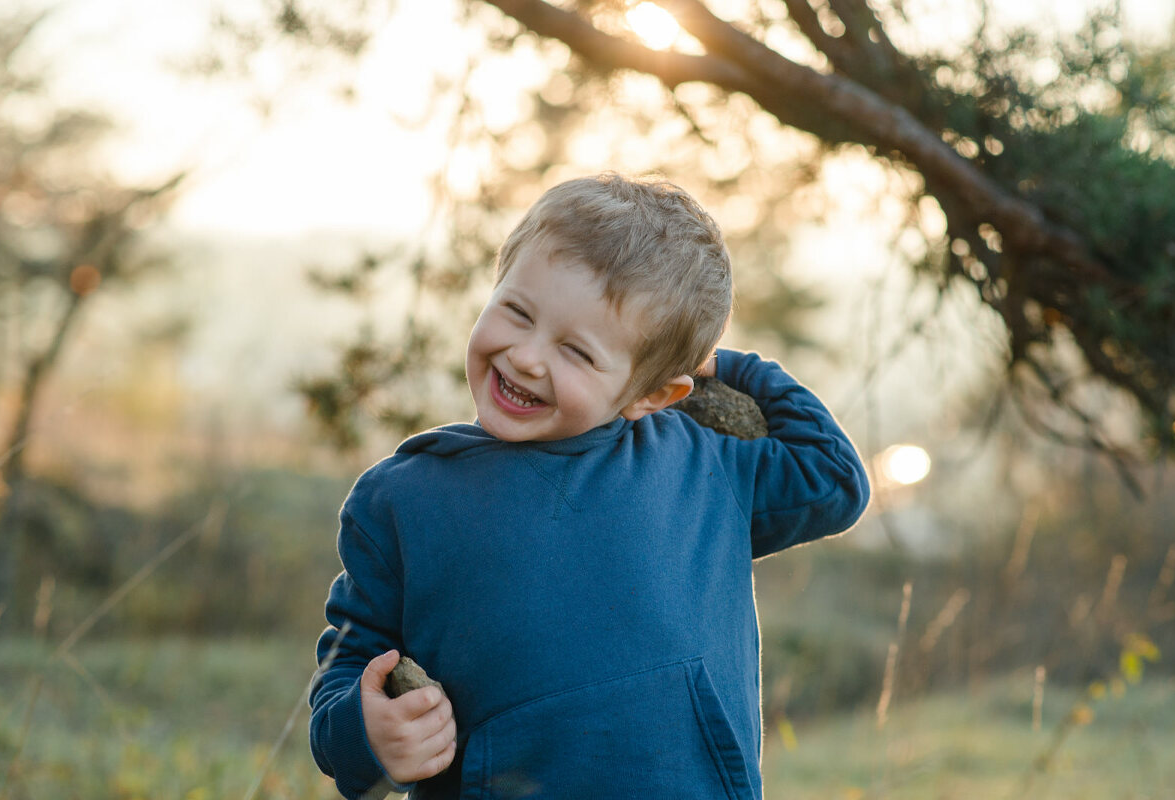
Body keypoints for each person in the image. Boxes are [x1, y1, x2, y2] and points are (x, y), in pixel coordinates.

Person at [309, 173, 870, 799]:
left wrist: (724, 363)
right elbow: (349, 669)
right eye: (516, 312)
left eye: (576, 351)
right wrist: (366, 734)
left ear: (653, 393)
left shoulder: (702, 467)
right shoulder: (405, 499)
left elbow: (835, 477)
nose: (526, 357)